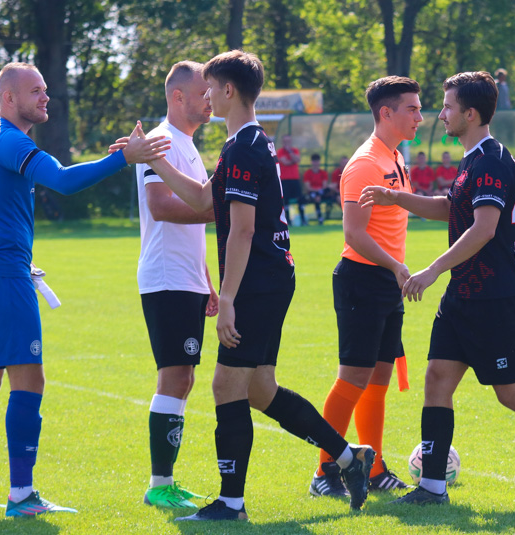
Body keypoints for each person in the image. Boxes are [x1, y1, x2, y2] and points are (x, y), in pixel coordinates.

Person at [143, 50, 374, 521]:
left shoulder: (244, 147)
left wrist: (226, 299)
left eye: (211, 88)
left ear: (229, 91)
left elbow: (243, 230)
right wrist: (154, 161)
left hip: (258, 281)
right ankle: (349, 457)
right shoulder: (244, 144)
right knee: (260, 389)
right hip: (269, 278)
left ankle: (231, 503)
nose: (206, 96)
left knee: (226, 385)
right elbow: (205, 197)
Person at [362, 71, 515, 504]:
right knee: (437, 378)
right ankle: (433, 488)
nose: (440, 115)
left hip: (494, 298)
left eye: (447, 107)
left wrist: (432, 270)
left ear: (470, 113)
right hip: (464, 296)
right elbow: (452, 208)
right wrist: (398, 198)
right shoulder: (473, 157)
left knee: (513, 394)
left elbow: (482, 229)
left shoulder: (493, 159)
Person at [0, 62, 169, 517]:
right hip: (6, 281)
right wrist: (123, 159)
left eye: (46, 89)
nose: (45, 98)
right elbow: (65, 181)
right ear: (9, 98)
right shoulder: (10, 140)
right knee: (29, 381)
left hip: (9, 270)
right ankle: (21, 496)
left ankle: (20, 495)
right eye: (36, 91)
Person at [311, 76, 421, 498]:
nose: (419, 116)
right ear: (386, 113)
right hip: (363, 279)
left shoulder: (395, 158)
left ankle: (372, 470)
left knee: (379, 377)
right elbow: (354, 234)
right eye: (411, 108)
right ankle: (325, 472)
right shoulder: (365, 163)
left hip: (387, 280)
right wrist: (396, 266)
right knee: (353, 377)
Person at [136, 61, 219, 509]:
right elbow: (161, 206)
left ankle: (165, 480)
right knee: (174, 375)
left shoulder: (187, 144)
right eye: (203, 93)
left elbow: (190, 224)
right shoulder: (161, 141)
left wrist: (205, 280)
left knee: (183, 377)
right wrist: (217, 210)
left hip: (185, 279)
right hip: (166, 278)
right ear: (177, 96)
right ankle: (158, 484)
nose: (210, 100)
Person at [276, 134, 303, 224]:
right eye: (285, 141)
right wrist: (293, 160)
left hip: (295, 179)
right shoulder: (280, 151)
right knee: (285, 200)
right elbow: (285, 162)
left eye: (288, 141)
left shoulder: (294, 150)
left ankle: (303, 219)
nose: (287, 143)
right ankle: (287, 220)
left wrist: (290, 152)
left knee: (300, 199)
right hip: (285, 180)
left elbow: (297, 159)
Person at [302, 153, 332, 224]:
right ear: (311, 162)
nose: (316, 163)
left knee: (328, 189)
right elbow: (308, 187)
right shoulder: (307, 173)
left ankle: (320, 218)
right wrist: (317, 190)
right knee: (313, 197)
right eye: (314, 161)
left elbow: (324, 186)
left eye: (317, 161)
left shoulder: (323, 173)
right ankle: (308, 219)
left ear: (319, 162)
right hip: (312, 193)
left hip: (322, 193)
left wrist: (318, 191)